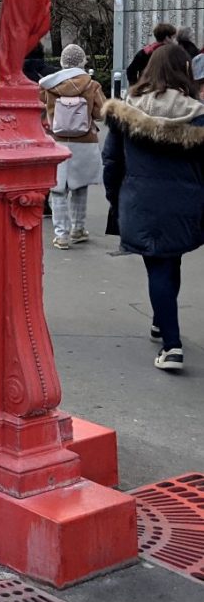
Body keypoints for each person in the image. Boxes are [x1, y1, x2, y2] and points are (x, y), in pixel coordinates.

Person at [102, 44, 204, 372]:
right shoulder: (198, 114)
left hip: (140, 198)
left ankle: (171, 345)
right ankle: (162, 321)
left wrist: (114, 197)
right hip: (187, 202)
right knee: (169, 260)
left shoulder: (125, 111)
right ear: (185, 72)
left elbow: (112, 161)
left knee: (157, 264)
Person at [39, 44, 105, 250]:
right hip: (84, 141)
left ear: (62, 62)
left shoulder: (49, 86)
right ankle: (78, 229)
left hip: (57, 142)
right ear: (82, 61)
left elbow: (40, 109)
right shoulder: (92, 85)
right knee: (80, 186)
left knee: (58, 190)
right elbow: (101, 113)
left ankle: (61, 235)